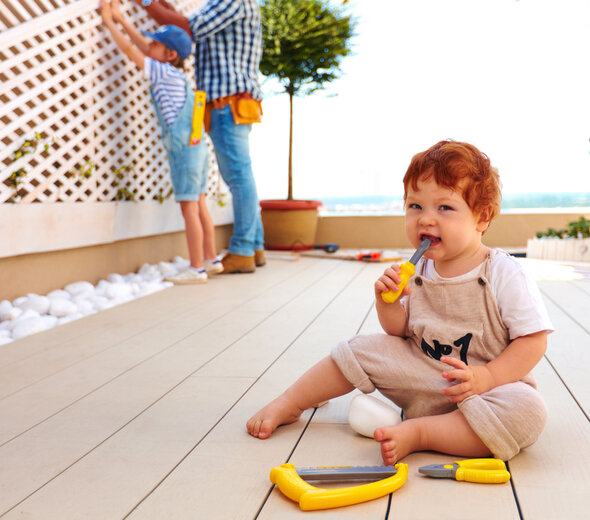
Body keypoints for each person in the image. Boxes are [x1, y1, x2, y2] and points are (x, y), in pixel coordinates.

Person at [247, 140, 553, 464]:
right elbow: (402, 332)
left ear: (482, 216)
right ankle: (291, 401)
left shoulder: (502, 272)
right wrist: (388, 305)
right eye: (415, 206)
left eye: (444, 208)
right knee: (359, 348)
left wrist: (488, 377)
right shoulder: (420, 267)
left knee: (528, 409)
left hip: (484, 388)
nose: (425, 219)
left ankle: (423, 433)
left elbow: (533, 341)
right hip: (423, 375)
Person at [134, 0, 265, 274]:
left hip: (227, 103)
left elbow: (188, 28)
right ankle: (253, 246)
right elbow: (185, 23)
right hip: (227, 103)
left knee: (239, 177)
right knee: (241, 175)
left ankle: (242, 251)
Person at [100, 0, 222, 284]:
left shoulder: (162, 72)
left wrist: (109, 23)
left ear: (169, 54)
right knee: (200, 203)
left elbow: (133, 51)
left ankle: (196, 268)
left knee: (188, 207)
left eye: (156, 44)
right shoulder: (173, 73)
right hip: (198, 147)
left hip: (184, 151)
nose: (149, 45)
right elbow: (144, 48)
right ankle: (211, 258)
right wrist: (121, 17)